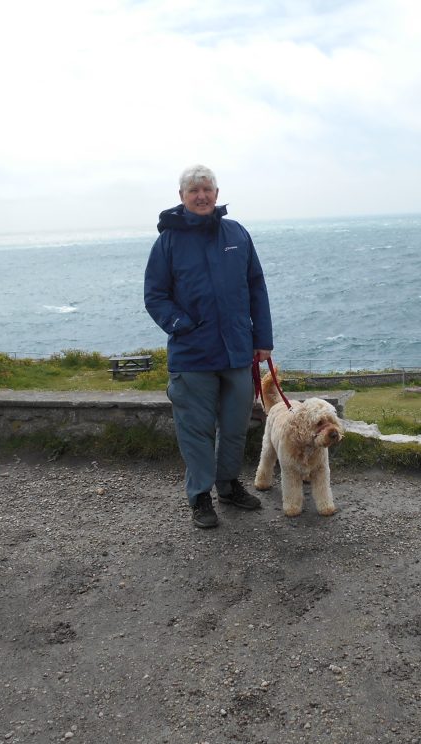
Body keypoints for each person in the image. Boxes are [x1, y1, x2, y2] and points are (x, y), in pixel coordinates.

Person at [144, 164, 273, 529]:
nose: (201, 196)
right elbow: (155, 295)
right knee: (196, 429)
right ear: (182, 197)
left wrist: (262, 340)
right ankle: (200, 496)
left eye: (207, 190)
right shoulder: (167, 242)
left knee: (234, 425)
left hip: (236, 349)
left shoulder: (236, 233)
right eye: (193, 191)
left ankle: (229, 485)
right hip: (193, 354)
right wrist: (180, 324)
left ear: (216, 194)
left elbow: (256, 287)